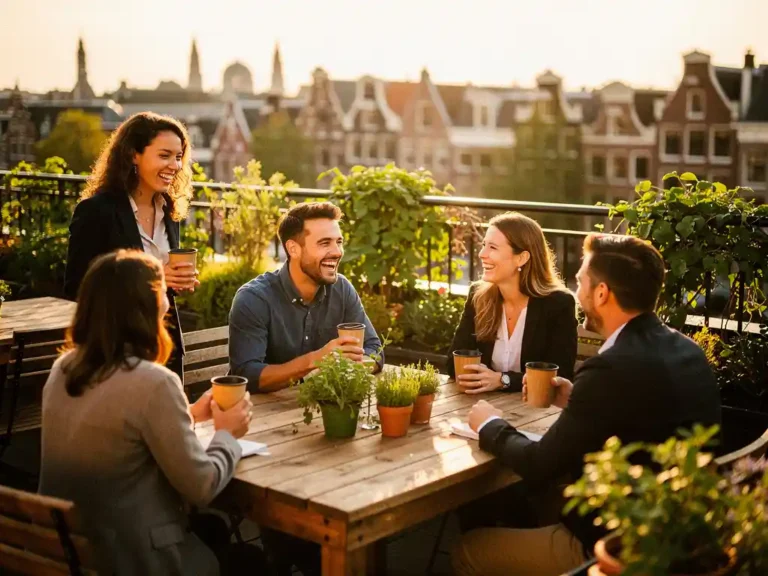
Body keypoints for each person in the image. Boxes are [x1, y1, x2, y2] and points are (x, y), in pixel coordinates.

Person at [452, 233, 722, 576]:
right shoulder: (686, 350)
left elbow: (538, 464)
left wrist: (489, 423)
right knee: (530, 502)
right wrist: (573, 400)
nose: (577, 292)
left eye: (580, 282)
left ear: (601, 293)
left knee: (468, 549)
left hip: (613, 545)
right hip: (675, 528)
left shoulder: (610, 367)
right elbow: (636, 417)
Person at [39, 250, 257, 576]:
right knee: (249, 561)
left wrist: (191, 414)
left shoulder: (63, 370)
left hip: (69, 552)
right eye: (162, 291)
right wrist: (227, 433)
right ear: (148, 306)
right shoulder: (154, 382)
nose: (167, 299)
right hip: (132, 559)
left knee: (212, 530)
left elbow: (121, 425)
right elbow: (202, 486)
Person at [64, 111, 199, 382]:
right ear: (133, 155)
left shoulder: (170, 212)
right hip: (114, 350)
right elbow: (77, 288)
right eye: (164, 155)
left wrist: (176, 281)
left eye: (178, 156)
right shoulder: (96, 211)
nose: (174, 165)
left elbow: (164, 284)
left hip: (165, 345)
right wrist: (157, 276)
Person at [229, 201, 382, 393]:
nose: (337, 252)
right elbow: (247, 376)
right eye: (325, 243)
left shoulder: (341, 289)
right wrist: (317, 360)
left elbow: (374, 348)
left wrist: (353, 368)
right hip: (262, 416)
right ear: (293, 249)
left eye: (339, 242)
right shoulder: (254, 299)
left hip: (324, 407)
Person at [448, 212, 578, 394]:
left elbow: (560, 376)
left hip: (535, 413)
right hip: (482, 404)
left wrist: (503, 380)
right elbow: (453, 362)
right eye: (484, 245)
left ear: (521, 258)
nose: (482, 254)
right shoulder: (478, 295)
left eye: (493, 247)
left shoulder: (557, 304)